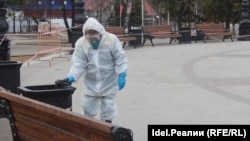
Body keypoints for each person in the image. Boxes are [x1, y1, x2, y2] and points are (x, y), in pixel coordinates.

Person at [65, 17, 128, 123]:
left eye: (95, 39)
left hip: (109, 80)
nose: (93, 42)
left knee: (108, 108)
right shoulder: (81, 43)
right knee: (87, 108)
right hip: (91, 82)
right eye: (91, 40)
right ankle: (90, 129)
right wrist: (73, 75)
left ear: (100, 34)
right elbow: (79, 63)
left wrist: (122, 73)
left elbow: (120, 58)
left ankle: (107, 128)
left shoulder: (111, 40)